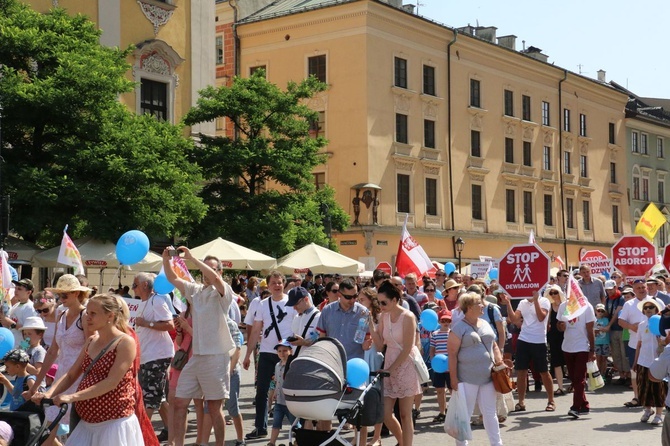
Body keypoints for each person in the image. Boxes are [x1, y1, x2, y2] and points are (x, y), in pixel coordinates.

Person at [32, 293, 144, 445]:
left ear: (110, 316)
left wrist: (72, 397)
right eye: (87, 313)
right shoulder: (91, 340)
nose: (87, 317)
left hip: (113, 425)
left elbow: (111, 382)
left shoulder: (125, 342)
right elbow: (71, 374)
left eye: (93, 314)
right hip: (86, 423)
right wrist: (48, 394)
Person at [162, 247, 236, 446]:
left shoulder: (223, 291)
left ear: (219, 272)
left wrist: (193, 258)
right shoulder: (195, 290)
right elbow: (172, 279)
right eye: (204, 268)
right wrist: (165, 259)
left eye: (211, 269)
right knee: (179, 402)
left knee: (214, 408)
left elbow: (215, 279)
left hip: (215, 357)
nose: (206, 272)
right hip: (197, 356)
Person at [25, 274, 93, 446]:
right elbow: (53, 351)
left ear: (77, 293)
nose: (60, 298)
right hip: (62, 375)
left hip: (80, 377)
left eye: (65, 295)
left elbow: (91, 350)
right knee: (49, 430)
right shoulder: (61, 314)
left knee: (77, 431)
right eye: (59, 295)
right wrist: (36, 386)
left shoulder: (85, 316)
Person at [243, 271, 295, 440]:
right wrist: (248, 354)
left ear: (284, 283)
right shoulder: (262, 304)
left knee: (290, 390)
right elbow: (256, 329)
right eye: (273, 283)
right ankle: (260, 426)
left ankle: (296, 426)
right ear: (269, 285)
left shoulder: (291, 302)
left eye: (280, 282)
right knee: (262, 391)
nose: (277, 285)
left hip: (287, 352)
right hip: (266, 351)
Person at [447, 292, 504, 446]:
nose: (482, 305)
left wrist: (499, 361)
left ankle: (497, 444)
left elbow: (493, 344)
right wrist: (453, 379)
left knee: (490, 413)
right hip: (467, 379)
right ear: (470, 307)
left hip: (488, 378)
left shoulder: (484, 323)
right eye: (479, 303)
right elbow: (452, 354)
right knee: (465, 415)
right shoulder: (458, 328)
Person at [369, 280, 421, 446]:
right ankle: (401, 441)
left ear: (394, 300)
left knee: (405, 414)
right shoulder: (383, 316)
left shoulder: (408, 317)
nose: (381, 305)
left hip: (405, 364)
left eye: (384, 302)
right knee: (385, 413)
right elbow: (379, 345)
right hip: (389, 362)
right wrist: (370, 324)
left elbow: (407, 348)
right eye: (379, 302)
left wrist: (391, 369)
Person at [500, 290, 555, 412]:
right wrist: (508, 303)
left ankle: (551, 401)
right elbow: (514, 319)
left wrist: (535, 300)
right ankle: (521, 402)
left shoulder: (544, 301)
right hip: (523, 339)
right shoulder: (522, 302)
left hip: (539, 340)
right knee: (521, 371)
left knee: (544, 372)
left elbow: (541, 318)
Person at [132, 272, 175, 428]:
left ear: (145, 285)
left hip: (157, 355)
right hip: (147, 355)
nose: (133, 288)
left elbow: (170, 325)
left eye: (135, 284)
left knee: (149, 399)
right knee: (159, 397)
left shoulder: (156, 300)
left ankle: (140, 435)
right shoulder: (142, 303)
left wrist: (147, 324)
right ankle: (173, 432)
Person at [619, 279, 665, 408]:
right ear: (634, 290)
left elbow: (665, 318)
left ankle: (657, 401)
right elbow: (621, 321)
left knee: (656, 374)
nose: (641, 289)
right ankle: (638, 397)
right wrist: (631, 327)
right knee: (637, 374)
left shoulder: (656, 301)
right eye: (638, 288)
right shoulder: (628, 304)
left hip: (656, 347)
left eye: (643, 287)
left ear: (647, 288)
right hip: (635, 344)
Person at [556, 297, 596, 418]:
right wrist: (561, 326)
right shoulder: (563, 306)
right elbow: (559, 325)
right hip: (567, 346)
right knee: (574, 378)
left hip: (582, 346)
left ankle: (575, 407)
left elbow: (590, 329)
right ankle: (584, 404)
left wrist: (592, 350)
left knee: (579, 379)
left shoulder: (587, 306)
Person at [357, 287, 384, 446]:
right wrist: (363, 344)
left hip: (376, 356)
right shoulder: (362, 316)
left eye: (362, 300)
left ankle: (377, 437)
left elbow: (380, 340)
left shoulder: (380, 317)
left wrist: (371, 329)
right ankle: (361, 438)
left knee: (376, 395)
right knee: (363, 398)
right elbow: (359, 337)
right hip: (365, 357)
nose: (359, 303)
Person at [633, 299, 667, 425]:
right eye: (646, 307)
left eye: (651, 307)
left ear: (656, 310)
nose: (648, 309)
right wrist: (635, 361)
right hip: (643, 361)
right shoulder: (641, 325)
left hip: (658, 361)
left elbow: (666, 342)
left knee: (658, 388)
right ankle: (647, 410)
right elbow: (639, 344)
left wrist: (661, 342)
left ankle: (659, 414)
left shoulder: (662, 324)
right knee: (643, 387)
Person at [267, 340, 297, 446]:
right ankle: (271, 442)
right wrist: (275, 392)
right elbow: (277, 381)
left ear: (290, 351)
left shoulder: (293, 365)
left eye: (285, 350)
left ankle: (298, 441)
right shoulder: (277, 365)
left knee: (295, 426)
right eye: (279, 351)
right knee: (276, 423)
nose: (282, 353)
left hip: (290, 402)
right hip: (279, 400)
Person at [429, 309, 451, 423]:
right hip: (439, 368)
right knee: (440, 390)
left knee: (453, 390)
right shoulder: (435, 334)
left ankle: (453, 411)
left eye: (448, 320)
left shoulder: (453, 333)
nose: (446, 323)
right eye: (443, 320)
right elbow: (432, 350)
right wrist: (433, 362)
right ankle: (442, 412)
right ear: (439, 321)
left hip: (450, 367)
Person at [604, 281, 628, 385]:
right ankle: (621, 375)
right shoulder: (608, 299)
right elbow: (607, 312)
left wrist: (609, 324)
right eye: (607, 289)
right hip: (612, 330)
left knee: (624, 353)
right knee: (616, 353)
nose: (609, 291)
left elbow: (617, 313)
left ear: (615, 287)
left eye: (611, 289)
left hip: (621, 329)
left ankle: (627, 375)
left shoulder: (621, 298)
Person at [545, 285, 567, 395]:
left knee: (568, 361)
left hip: (566, 335)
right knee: (556, 361)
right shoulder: (549, 306)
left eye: (555, 292)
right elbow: (547, 322)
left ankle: (574, 384)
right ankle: (560, 386)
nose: (553, 295)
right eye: (551, 293)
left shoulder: (566, 306)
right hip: (553, 336)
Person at [2, 278, 37, 347]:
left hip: (22, 347)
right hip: (12, 346)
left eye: (19, 289)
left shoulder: (30, 307)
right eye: (16, 288)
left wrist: (11, 323)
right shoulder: (16, 305)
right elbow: (8, 325)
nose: (16, 291)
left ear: (29, 292)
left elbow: (30, 330)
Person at [594, 303, 611, 376]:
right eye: (598, 311)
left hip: (605, 342)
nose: (600, 312)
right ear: (595, 311)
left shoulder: (606, 320)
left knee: (604, 359)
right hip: (596, 342)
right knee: (598, 359)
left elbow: (608, 329)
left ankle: (603, 374)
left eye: (602, 311)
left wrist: (601, 329)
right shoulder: (593, 320)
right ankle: (598, 375)